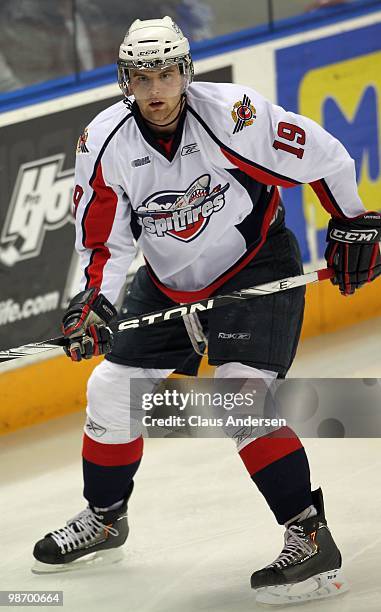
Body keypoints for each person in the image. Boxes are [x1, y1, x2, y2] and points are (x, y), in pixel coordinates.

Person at [32, 16, 381, 605]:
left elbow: (324, 156)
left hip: (255, 266)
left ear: (185, 71)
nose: (157, 91)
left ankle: (309, 532)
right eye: (143, 79)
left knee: (238, 395)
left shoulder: (234, 116)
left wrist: (350, 222)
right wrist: (96, 302)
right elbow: (105, 243)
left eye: (167, 74)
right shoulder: (104, 142)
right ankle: (107, 516)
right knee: (111, 389)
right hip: (167, 282)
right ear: (126, 82)